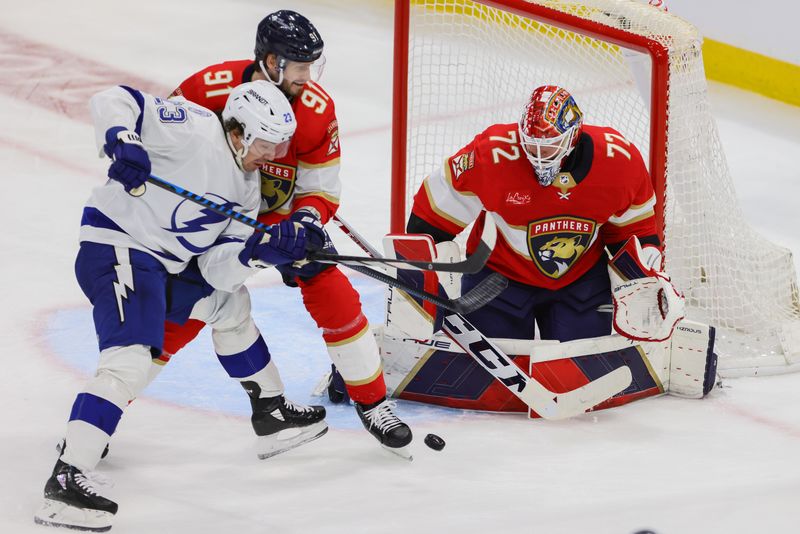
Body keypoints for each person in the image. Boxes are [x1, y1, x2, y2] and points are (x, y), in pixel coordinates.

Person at [34, 80, 325, 532]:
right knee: (129, 360)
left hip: (162, 267)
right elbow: (115, 99)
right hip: (116, 246)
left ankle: (271, 410)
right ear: (241, 130)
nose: (272, 155)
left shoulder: (248, 187)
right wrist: (123, 139)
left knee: (228, 304)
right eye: (266, 143)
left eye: (278, 145)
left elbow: (216, 270)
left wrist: (257, 252)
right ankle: (65, 480)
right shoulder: (194, 127)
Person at [161, 10, 412, 454]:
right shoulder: (207, 89)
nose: (308, 75)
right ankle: (106, 407)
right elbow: (162, 148)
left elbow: (319, 186)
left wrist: (307, 222)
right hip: (210, 218)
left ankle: (372, 403)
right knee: (183, 309)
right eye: (300, 66)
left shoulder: (316, 109)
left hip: (277, 218)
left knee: (330, 285)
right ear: (272, 62)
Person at [400, 84, 679, 407]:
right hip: (499, 281)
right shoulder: (491, 154)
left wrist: (641, 277)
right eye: (530, 145)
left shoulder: (620, 162)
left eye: (548, 147)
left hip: (581, 285)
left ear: (573, 135)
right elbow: (429, 219)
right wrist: (429, 279)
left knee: (587, 371)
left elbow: (636, 232)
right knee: (490, 381)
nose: (537, 155)